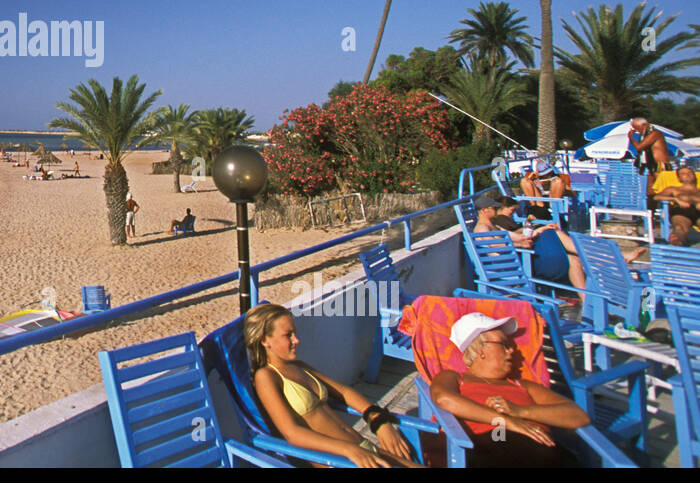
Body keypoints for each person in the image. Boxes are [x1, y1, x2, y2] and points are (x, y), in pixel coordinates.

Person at [244, 305, 421, 468]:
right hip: (338, 461)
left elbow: (343, 392)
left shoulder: (299, 366)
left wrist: (379, 421)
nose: (296, 340)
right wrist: (347, 450)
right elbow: (292, 433)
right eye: (288, 335)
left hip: (362, 450)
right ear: (264, 340)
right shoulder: (266, 377)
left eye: (295, 333)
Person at [429, 313, 587, 467]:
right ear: (479, 350)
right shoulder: (455, 378)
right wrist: (506, 421)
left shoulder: (523, 385)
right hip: (489, 448)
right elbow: (443, 398)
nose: (511, 350)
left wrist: (519, 412)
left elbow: (578, 416)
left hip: (545, 454)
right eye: (504, 344)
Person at [474, 194, 588, 290]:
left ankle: (586, 304)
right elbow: (496, 246)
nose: (496, 210)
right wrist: (521, 244)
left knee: (571, 256)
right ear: (484, 210)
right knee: (572, 260)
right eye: (493, 208)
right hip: (514, 265)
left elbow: (518, 237)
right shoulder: (482, 229)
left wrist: (540, 230)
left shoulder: (494, 226)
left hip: (519, 257)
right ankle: (588, 256)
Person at [655, 166, 700, 244]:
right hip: (681, 212)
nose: (687, 175)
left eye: (690, 173)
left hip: (698, 213)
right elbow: (657, 197)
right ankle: (677, 244)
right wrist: (676, 199)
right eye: (683, 174)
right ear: (679, 179)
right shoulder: (674, 189)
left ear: (694, 176)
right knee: (680, 229)